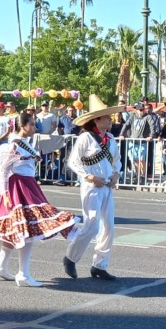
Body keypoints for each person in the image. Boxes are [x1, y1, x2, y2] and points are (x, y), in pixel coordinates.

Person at [0, 112, 76, 286]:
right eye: (32, 124)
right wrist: (4, 194)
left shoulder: (25, 143)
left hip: (27, 185)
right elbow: (3, 171)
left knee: (16, 230)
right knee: (26, 231)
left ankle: (1, 268)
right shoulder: (12, 145)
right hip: (18, 187)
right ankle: (23, 274)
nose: (35, 127)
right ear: (22, 126)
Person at [63, 95, 124, 281]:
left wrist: (115, 175)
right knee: (91, 225)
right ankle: (70, 258)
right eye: (106, 117)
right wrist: (88, 176)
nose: (110, 120)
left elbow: (117, 161)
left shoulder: (110, 139)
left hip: (106, 186)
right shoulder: (86, 138)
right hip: (91, 186)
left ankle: (100, 265)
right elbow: (73, 162)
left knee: (108, 228)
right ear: (96, 120)